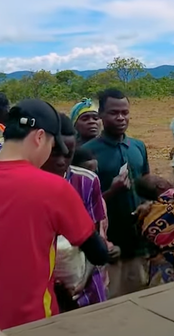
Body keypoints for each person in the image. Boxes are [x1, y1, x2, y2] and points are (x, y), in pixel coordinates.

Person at [0, 99, 111, 329]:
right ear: (39, 137)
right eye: (51, 145)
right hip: (36, 324)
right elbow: (98, 254)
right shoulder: (55, 189)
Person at [81, 89, 151, 298]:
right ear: (101, 115)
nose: (121, 118)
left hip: (140, 245)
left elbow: (147, 186)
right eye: (114, 113)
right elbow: (82, 205)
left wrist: (148, 204)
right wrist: (111, 192)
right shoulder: (88, 153)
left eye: (125, 112)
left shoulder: (138, 147)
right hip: (109, 249)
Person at [41, 114, 109, 310]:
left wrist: (82, 280)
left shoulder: (86, 181)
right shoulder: (26, 185)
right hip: (43, 286)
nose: (61, 161)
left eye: (68, 154)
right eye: (54, 153)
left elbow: (95, 238)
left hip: (84, 283)